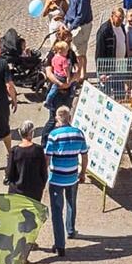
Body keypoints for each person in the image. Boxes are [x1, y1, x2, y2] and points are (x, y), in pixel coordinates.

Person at [42, 108, 88, 254]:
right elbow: (84, 156)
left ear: (57, 119)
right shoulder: (78, 133)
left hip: (56, 178)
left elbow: (47, 158)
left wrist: (44, 175)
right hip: (72, 176)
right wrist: (83, 173)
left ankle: (60, 244)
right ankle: (70, 229)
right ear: (69, 117)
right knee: (71, 203)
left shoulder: (53, 135)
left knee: (56, 211)